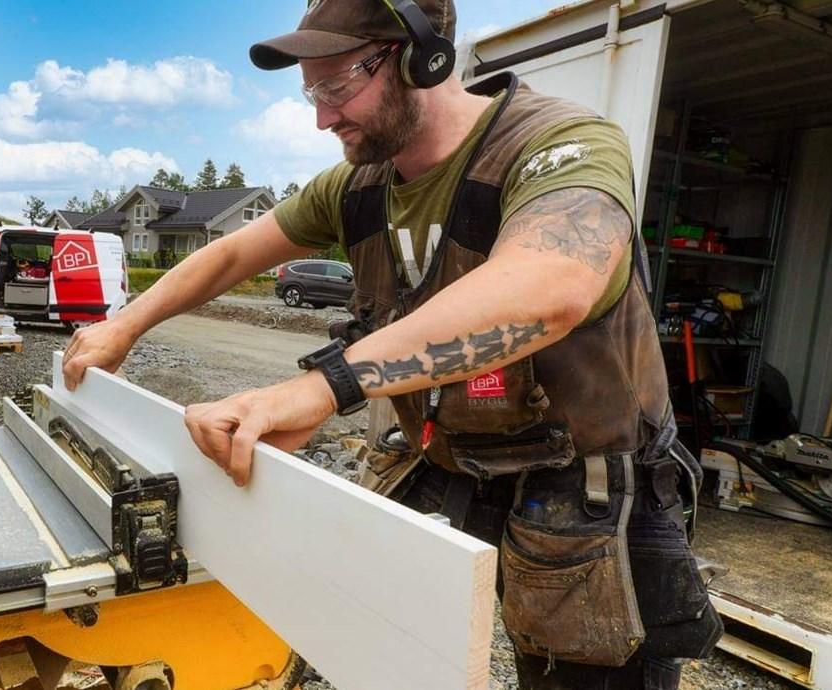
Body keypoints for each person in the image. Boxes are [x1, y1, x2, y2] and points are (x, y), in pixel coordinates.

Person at [62, 1, 722, 687]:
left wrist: (323, 386)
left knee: (585, 670)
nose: (322, 117)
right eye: (311, 93)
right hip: (446, 454)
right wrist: (124, 324)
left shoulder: (561, 145)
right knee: (383, 650)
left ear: (422, 58)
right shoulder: (357, 186)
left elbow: (553, 286)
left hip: (580, 474)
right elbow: (230, 256)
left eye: (338, 86)